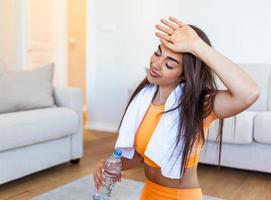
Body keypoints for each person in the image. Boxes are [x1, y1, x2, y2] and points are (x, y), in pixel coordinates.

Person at [93, 16, 260, 200]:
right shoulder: (143, 98)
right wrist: (109, 164)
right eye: (157, 53)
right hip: (148, 192)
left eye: (169, 64)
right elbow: (138, 155)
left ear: (185, 74)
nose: (156, 64)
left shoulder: (199, 104)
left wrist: (197, 46)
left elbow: (249, 93)